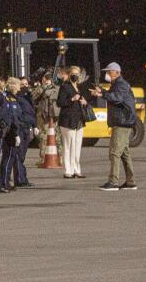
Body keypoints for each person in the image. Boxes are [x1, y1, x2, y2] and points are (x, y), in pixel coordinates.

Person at [91, 62, 136, 191]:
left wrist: (102, 94)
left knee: (114, 152)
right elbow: (114, 96)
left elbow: (117, 98)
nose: (107, 74)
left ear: (116, 72)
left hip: (122, 123)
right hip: (122, 122)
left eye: (109, 71)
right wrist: (103, 91)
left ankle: (113, 182)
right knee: (124, 153)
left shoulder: (121, 84)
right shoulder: (116, 84)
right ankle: (130, 181)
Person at [56, 66, 87, 178]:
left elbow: (83, 100)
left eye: (77, 74)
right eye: (73, 74)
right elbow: (59, 102)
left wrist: (84, 102)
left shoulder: (78, 87)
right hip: (67, 120)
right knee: (68, 145)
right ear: (69, 75)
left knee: (77, 145)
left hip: (79, 120)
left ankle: (76, 169)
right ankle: (68, 170)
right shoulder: (65, 87)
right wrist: (71, 99)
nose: (75, 76)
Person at [0, 78, 26, 189]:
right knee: (8, 157)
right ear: (13, 86)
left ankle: (5, 182)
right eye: (18, 85)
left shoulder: (14, 99)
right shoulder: (8, 99)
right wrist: (15, 133)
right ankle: (4, 182)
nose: (20, 88)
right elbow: (11, 117)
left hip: (15, 130)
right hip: (10, 132)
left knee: (11, 157)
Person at [9, 77, 34, 188]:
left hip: (26, 128)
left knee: (22, 155)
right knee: (19, 155)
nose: (24, 87)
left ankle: (21, 178)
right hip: (20, 128)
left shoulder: (27, 97)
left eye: (26, 84)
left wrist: (35, 125)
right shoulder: (15, 98)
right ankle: (20, 179)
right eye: (21, 85)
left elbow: (32, 113)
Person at [31, 71, 59, 161]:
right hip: (44, 115)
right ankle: (45, 157)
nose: (45, 80)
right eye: (45, 78)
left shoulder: (56, 89)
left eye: (47, 78)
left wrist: (45, 88)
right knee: (44, 136)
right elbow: (33, 97)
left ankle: (55, 157)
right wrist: (42, 87)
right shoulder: (41, 88)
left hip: (52, 115)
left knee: (54, 136)